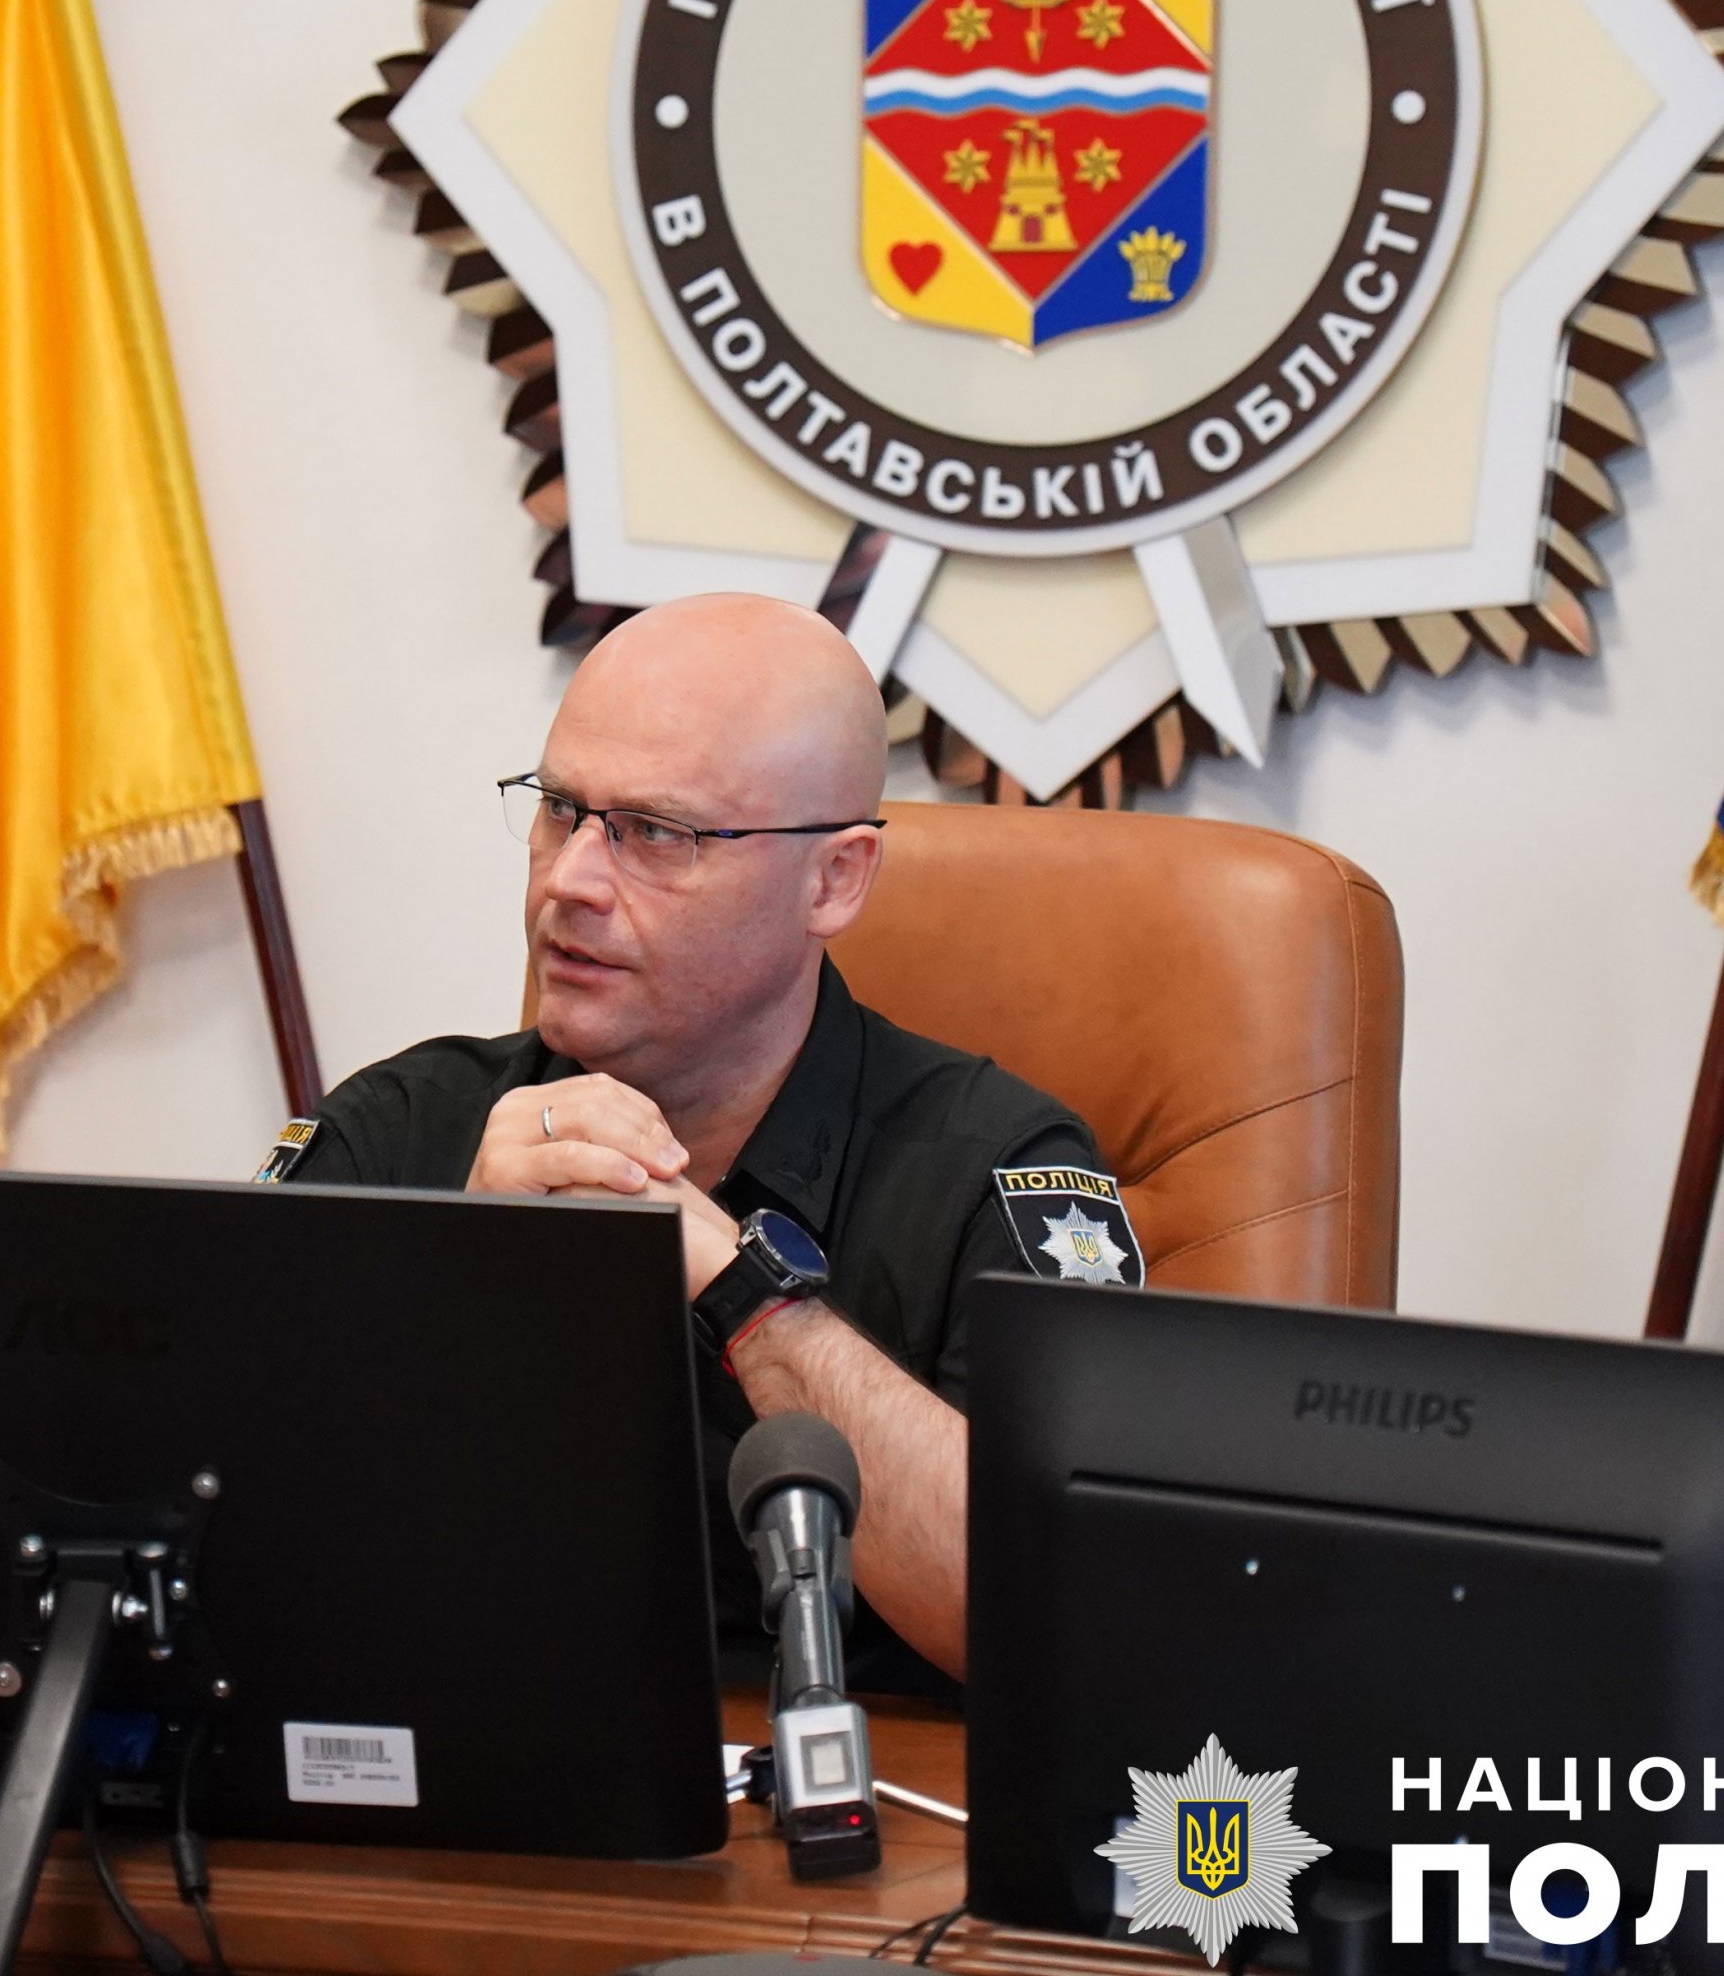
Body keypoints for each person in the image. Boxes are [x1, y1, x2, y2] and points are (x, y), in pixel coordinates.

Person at [259, 593, 1142, 1691]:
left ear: (834, 879)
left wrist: (742, 1291)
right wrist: (461, 1295)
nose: (570, 880)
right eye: (560, 810)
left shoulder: (994, 1172)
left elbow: (1066, 1617)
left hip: (848, 1780)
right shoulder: (396, 1132)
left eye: (656, 833)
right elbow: (228, 1550)